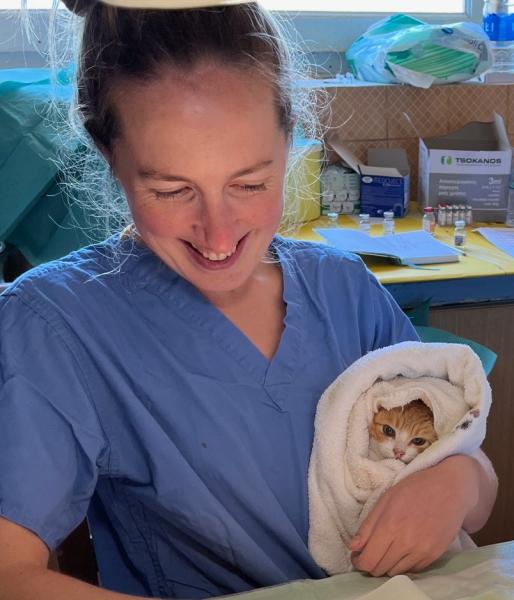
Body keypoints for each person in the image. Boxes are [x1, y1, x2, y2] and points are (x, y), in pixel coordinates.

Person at [0, 1, 497, 599]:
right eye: (172, 190)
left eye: (250, 183)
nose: (218, 234)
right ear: (109, 156)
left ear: (290, 141)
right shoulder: (58, 324)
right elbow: (10, 573)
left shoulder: (343, 290)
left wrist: (459, 481)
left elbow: (471, 471)